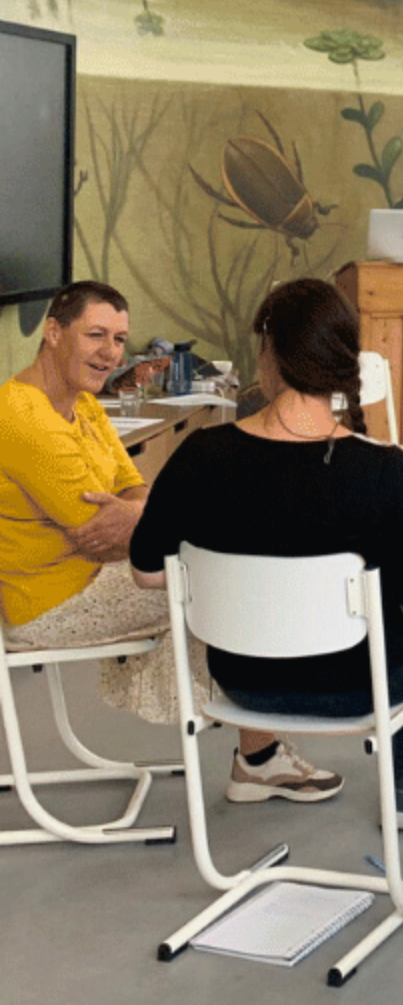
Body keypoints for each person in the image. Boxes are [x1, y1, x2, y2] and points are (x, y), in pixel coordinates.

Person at [128, 278, 403, 829]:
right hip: (361, 684)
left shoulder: (200, 455)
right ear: (345, 362)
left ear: (267, 353)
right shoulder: (384, 470)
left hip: (242, 681)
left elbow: (147, 573)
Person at [0, 280, 339, 802]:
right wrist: (146, 520)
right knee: (223, 579)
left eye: (118, 338)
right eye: (95, 335)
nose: (110, 352)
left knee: (221, 569)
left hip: (99, 577)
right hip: (53, 602)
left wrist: (139, 514)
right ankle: (260, 757)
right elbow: (99, 537)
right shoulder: (22, 416)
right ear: (52, 332)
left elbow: (134, 494)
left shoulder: (82, 403)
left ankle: (259, 754)